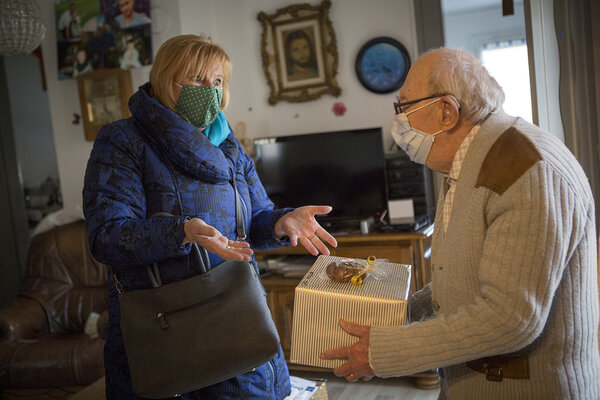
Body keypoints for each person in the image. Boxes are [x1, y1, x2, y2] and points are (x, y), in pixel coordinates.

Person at [320, 47, 600, 399]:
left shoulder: (526, 170)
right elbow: (464, 277)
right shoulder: (471, 161)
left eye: (403, 107)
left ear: (446, 112)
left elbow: (511, 319)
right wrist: (400, 311)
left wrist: (383, 351)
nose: (399, 122)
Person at [83, 34, 337, 399]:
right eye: (197, 79)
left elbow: (254, 220)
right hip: (166, 326)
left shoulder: (229, 145)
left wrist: (281, 222)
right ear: (165, 78)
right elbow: (106, 237)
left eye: (217, 81)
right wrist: (182, 232)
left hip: (237, 313)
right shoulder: (122, 141)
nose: (210, 90)